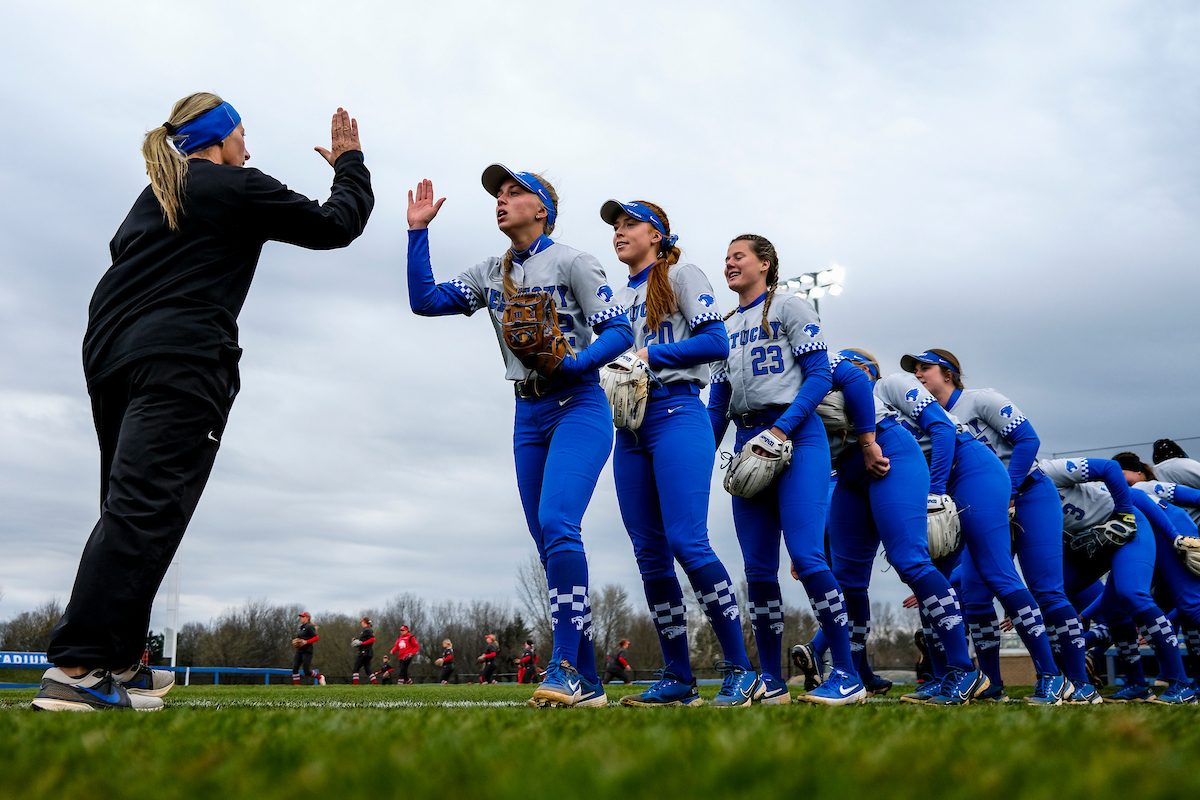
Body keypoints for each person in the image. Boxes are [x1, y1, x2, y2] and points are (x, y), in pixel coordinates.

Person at [32, 94, 372, 713]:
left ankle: (122, 661)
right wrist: (350, 163)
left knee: (129, 505)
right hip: (180, 358)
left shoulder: (153, 198)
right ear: (219, 140)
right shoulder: (230, 185)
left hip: (110, 357)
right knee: (146, 508)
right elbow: (336, 225)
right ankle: (77, 668)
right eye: (243, 136)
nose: (249, 149)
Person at [407, 168, 633, 708]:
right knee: (546, 544)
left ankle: (564, 667)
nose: (501, 201)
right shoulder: (492, 270)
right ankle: (589, 681)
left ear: (544, 208)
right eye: (498, 195)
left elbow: (620, 331)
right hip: (527, 413)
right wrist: (418, 233)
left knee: (558, 524)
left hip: (578, 403)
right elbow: (426, 301)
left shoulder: (575, 261)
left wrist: (577, 363)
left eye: (514, 193)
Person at [600, 201, 761, 708]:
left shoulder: (682, 274)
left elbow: (716, 341)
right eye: (616, 226)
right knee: (649, 555)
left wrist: (649, 355)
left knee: (688, 543)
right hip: (630, 427)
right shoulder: (618, 292)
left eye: (629, 224)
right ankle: (677, 676)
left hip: (677, 413)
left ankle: (741, 669)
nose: (620, 232)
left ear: (657, 234)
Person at [707, 234, 860, 706]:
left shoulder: (792, 306)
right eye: (727, 256)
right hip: (747, 438)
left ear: (765, 264)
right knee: (757, 570)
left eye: (739, 256)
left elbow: (820, 375)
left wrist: (783, 429)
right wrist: (701, 452)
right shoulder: (724, 325)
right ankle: (771, 682)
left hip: (797, 435)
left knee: (808, 556)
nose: (729, 263)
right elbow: (719, 400)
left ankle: (848, 674)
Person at [872, 359, 1068, 705]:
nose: (918, 373)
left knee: (1004, 575)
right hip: (955, 487)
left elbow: (1026, 439)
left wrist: (1003, 490)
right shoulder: (883, 407)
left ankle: (1058, 678)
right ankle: (968, 678)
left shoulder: (971, 398)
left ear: (948, 373)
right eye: (915, 369)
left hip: (996, 480)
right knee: (951, 586)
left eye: (925, 367)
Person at [821, 349, 986, 705]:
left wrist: (936, 491)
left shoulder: (891, 384)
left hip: (891, 456)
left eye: (856, 366)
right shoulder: (791, 382)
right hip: (848, 475)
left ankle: (963, 669)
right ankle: (847, 675)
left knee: (910, 561)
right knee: (846, 579)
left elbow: (942, 427)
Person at [1040, 456, 1194, 703]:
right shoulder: (1009, 494)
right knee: (1050, 596)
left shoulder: (1049, 471)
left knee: (1135, 594)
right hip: (1090, 543)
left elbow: (1138, 498)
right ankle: (1115, 684)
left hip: (1128, 528)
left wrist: (1176, 538)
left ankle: (1182, 684)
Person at [291, 612, 326, 686]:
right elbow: (300, 638)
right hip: (300, 650)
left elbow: (316, 637)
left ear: (307, 618)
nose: (301, 618)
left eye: (303, 617)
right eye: (301, 617)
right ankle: (296, 687)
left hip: (307, 651)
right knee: (295, 669)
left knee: (306, 671)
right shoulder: (301, 627)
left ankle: (319, 677)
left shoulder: (309, 627)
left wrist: (306, 642)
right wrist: (296, 641)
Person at [352, 618, 376, 685]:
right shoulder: (366, 630)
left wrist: (361, 643)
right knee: (368, 670)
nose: (361, 623)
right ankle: (375, 683)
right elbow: (364, 641)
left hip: (364, 653)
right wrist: (356, 641)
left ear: (364, 622)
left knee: (356, 668)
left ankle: (355, 685)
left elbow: (373, 639)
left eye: (362, 622)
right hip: (368, 652)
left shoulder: (366, 630)